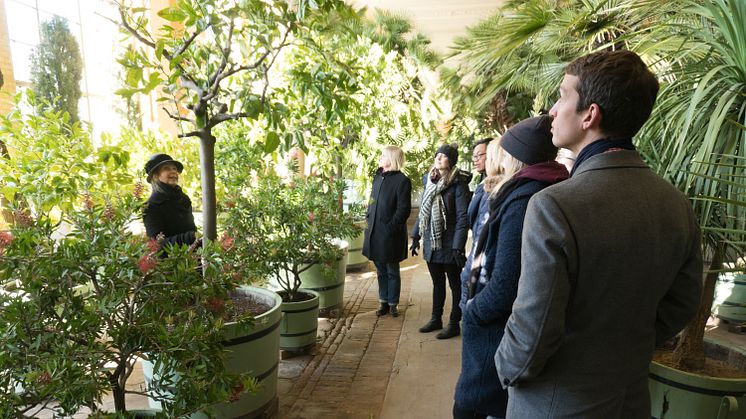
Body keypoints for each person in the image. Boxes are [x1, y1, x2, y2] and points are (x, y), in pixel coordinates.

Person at [495, 50, 703, 418]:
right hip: (631, 401)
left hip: (553, 404)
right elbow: (682, 302)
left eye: (562, 96)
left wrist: (504, 368)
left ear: (590, 114)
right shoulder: (677, 204)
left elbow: (533, 329)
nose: (553, 111)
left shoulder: (554, 206)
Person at [454, 116, 568, 419]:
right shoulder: (529, 190)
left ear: (516, 156)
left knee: (471, 407)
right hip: (497, 328)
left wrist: (474, 312)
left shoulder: (523, 199)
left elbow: (507, 282)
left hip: (496, 331)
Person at [411, 143, 471, 339]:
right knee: (437, 283)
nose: (438, 158)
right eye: (437, 155)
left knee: (455, 284)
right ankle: (436, 319)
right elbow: (423, 213)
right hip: (432, 242)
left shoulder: (459, 184)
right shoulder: (429, 181)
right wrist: (416, 236)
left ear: (451, 161)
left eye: (443, 156)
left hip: (450, 243)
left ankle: (454, 323)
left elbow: (463, 217)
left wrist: (458, 246)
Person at [362, 145, 412, 318]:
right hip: (375, 231)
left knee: (392, 269)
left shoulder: (402, 181)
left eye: (383, 155)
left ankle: (393, 304)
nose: (380, 158)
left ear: (391, 159)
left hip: (390, 234)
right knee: (380, 268)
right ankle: (383, 301)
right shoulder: (378, 177)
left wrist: (391, 228)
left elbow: (403, 209)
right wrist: (368, 217)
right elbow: (372, 201)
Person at [459, 137, 494, 313]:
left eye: (480, 154)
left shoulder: (493, 187)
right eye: (474, 156)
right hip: (474, 257)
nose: (476, 159)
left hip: (481, 262)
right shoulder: (480, 183)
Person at [142, 153, 199, 248]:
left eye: (174, 169)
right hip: (170, 261)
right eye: (166, 168)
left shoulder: (184, 199)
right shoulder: (151, 206)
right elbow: (157, 246)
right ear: (156, 175)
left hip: (192, 258)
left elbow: (192, 229)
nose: (173, 172)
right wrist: (189, 238)